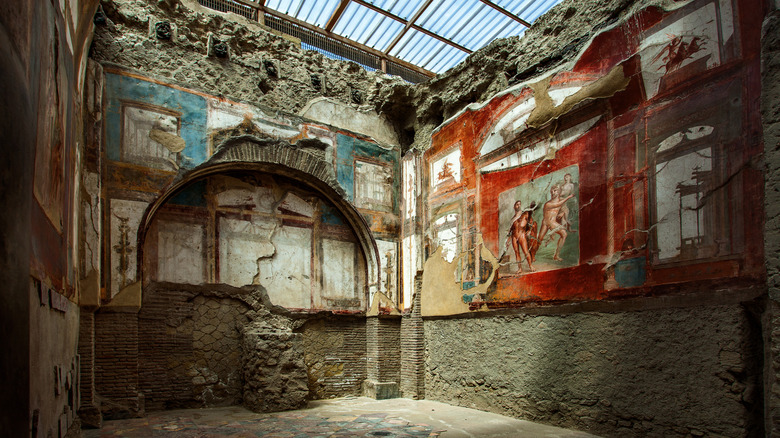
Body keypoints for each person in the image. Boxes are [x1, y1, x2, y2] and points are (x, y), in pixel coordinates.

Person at [538, 184, 575, 261]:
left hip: (553, 222)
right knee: (539, 239)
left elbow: (565, 208)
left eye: (555, 191)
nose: (553, 193)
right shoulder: (548, 203)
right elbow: (557, 205)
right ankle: (532, 253)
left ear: (558, 192)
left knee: (564, 234)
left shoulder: (560, 200)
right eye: (552, 191)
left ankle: (556, 255)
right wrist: (568, 197)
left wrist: (562, 213)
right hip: (546, 222)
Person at [504, 200, 538, 273]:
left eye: (519, 204)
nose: (518, 206)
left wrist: (529, 230)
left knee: (526, 251)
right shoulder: (513, 219)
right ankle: (519, 268)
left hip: (522, 235)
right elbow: (511, 230)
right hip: (514, 236)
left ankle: (530, 266)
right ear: (514, 206)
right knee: (517, 253)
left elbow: (531, 222)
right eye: (517, 204)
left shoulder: (525, 214)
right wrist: (508, 240)